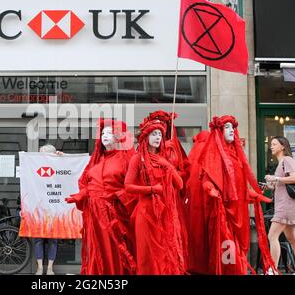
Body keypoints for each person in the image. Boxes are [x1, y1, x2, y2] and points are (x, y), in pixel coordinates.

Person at [186, 115, 275, 275]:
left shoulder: (236, 155)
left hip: (238, 213)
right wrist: (210, 189)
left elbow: (238, 185)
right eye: (226, 127)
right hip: (223, 213)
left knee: (237, 250)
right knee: (228, 252)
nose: (231, 130)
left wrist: (253, 194)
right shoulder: (213, 155)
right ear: (219, 131)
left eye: (232, 127)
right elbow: (206, 179)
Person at [66, 119, 136, 275]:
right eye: (103, 133)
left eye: (110, 133)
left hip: (114, 215)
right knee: (96, 247)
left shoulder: (126, 159)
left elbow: (133, 185)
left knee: (113, 246)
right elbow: (87, 182)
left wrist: (116, 197)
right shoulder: (96, 160)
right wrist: (80, 196)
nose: (105, 136)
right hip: (94, 214)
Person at [124, 113, 186, 274]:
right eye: (154, 134)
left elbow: (179, 184)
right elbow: (128, 186)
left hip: (165, 214)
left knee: (164, 254)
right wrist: (151, 189)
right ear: (146, 136)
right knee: (146, 256)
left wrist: (168, 166)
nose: (158, 137)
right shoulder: (137, 159)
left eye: (160, 134)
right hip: (145, 213)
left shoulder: (163, 159)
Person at [264, 136, 295, 275]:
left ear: (282, 146)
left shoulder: (287, 160)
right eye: (271, 144)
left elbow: (294, 178)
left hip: (286, 206)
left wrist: (275, 178)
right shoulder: (281, 163)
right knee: (293, 239)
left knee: (272, 236)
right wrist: (269, 185)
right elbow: (282, 184)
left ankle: (273, 269)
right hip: (285, 205)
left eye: (274, 144)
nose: (271, 146)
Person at [34, 144, 62, 275]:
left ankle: (50, 267)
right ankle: (40, 267)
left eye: (44, 153)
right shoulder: (34, 166)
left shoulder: (59, 166)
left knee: (53, 239)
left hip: (54, 207)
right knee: (38, 239)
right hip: (39, 208)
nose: (42, 156)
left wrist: (63, 158)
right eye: (40, 153)